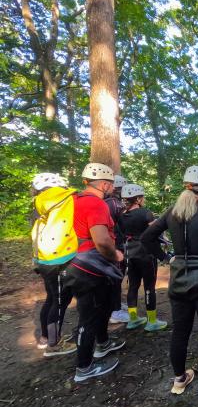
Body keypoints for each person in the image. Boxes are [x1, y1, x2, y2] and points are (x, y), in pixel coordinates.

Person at [142, 165, 198, 397]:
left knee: (179, 332)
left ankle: (179, 381)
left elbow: (147, 237)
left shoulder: (172, 210)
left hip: (179, 278)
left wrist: (167, 258)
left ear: (186, 185)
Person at [65, 163, 126, 382]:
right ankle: (84, 367)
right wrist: (115, 256)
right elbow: (101, 240)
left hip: (77, 262)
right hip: (90, 266)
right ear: (103, 184)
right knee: (89, 315)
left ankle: (103, 343)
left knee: (101, 307)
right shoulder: (95, 204)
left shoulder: (74, 201)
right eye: (110, 184)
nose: (112, 188)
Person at [31, 172, 76, 356]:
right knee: (60, 301)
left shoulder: (40, 204)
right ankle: (54, 344)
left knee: (51, 298)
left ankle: (44, 338)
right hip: (60, 257)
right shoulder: (64, 198)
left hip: (44, 257)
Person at [118, 184, 167, 332]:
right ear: (138, 199)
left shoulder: (121, 215)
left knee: (133, 285)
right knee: (149, 287)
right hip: (146, 253)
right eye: (142, 197)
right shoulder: (146, 213)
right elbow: (155, 231)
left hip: (130, 254)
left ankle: (133, 319)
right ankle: (151, 321)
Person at [106, 174, 130, 324]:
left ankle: (115, 304)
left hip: (110, 244)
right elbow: (125, 225)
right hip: (117, 244)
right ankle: (115, 310)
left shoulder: (107, 202)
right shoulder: (116, 205)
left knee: (114, 277)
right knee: (116, 276)